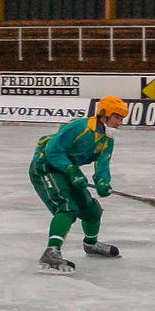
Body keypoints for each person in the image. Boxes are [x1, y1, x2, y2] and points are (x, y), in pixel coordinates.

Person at [28, 95, 129, 274]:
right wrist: (72, 171)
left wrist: (103, 181)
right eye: (116, 117)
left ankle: (91, 244)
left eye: (121, 119)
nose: (119, 122)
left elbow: (103, 164)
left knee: (91, 210)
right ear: (103, 114)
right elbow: (53, 150)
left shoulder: (107, 139)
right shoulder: (80, 127)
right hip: (46, 166)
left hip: (67, 170)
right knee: (66, 206)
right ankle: (51, 252)